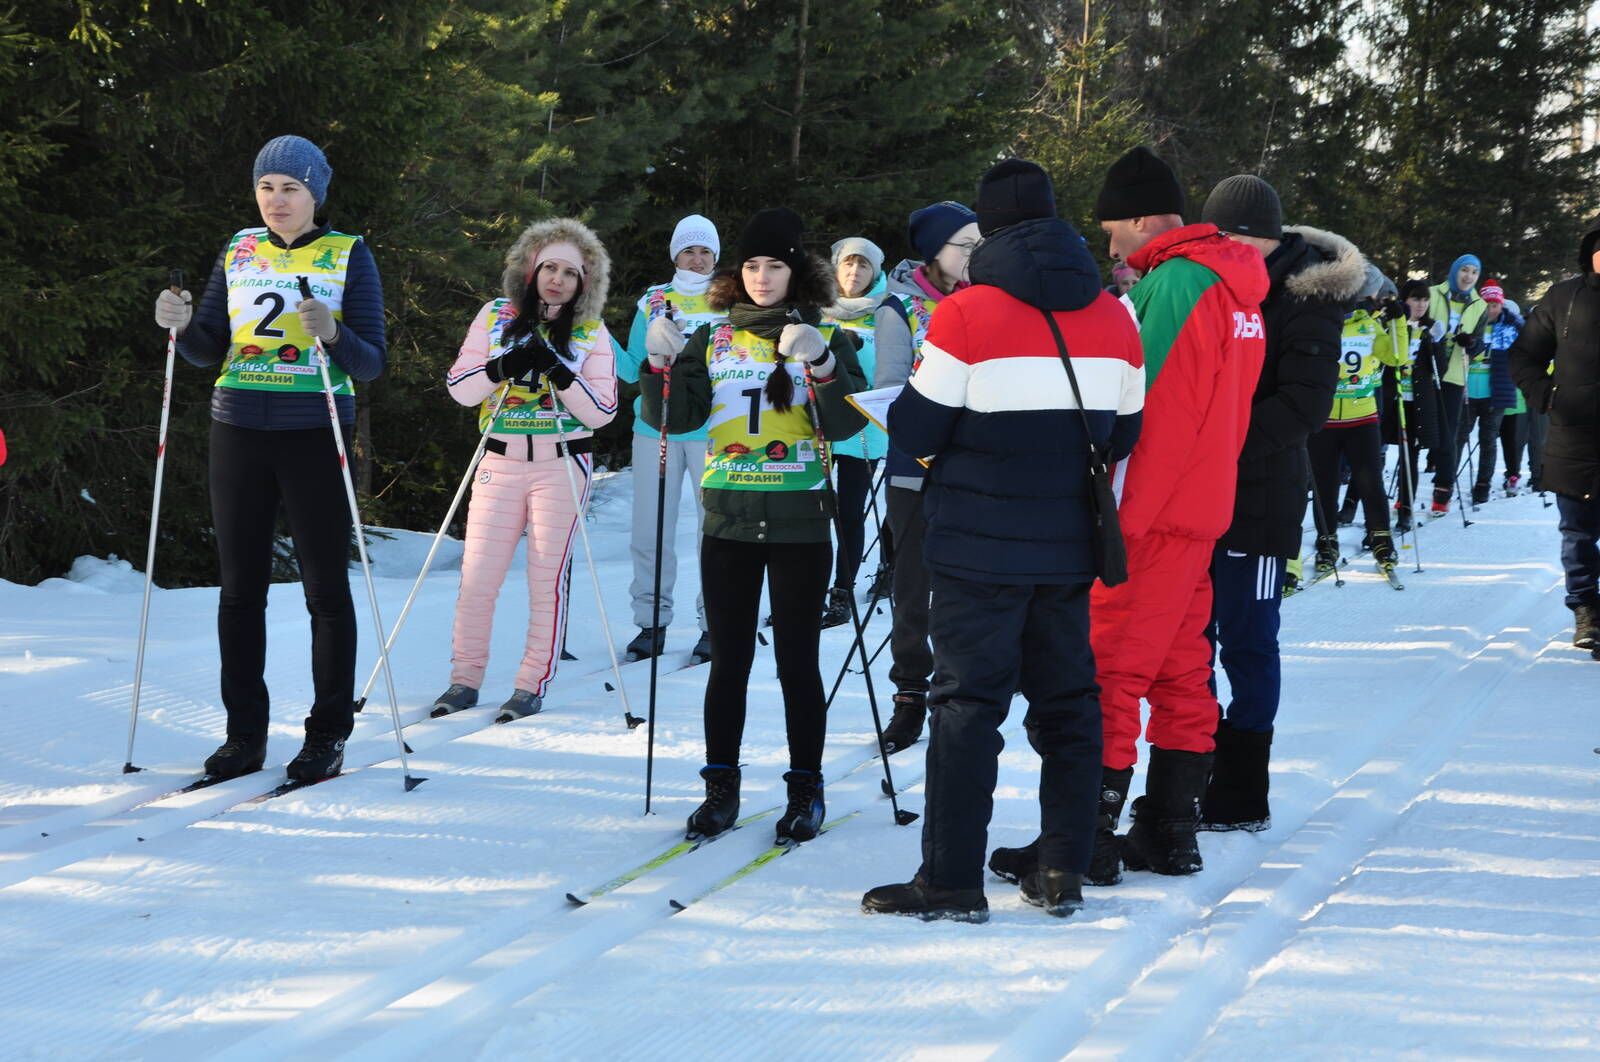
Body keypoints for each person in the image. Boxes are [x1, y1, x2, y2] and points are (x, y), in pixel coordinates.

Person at [860, 159, 1144, 922]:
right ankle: (1062, 868)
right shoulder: (1116, 314)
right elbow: (1125, 432)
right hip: (1067, 544)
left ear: (987, 229)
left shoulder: (965, 313)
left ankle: (951, 882)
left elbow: (917, 429)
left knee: (966, 707)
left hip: (975, 548)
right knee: (1070, 705)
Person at [1026, 145, 1267, 883]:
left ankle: (1083, 840)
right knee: (1180, 674)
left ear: (1141, 218)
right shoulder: (1239, 290)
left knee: (1109, 673)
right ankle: (1169, 829)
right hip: (1199, 512)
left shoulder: (1180, 283)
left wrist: (1116, 525)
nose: (1109, 245)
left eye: (1112, 228)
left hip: (1152, 517)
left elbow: (1148, 410)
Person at [152, 135, 387, 782]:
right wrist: (176, 323)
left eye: (290, 188)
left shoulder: (349, 255)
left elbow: (371, 363)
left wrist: (334, 333)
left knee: (324, 591)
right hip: (238, 427)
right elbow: (205, 347)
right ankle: (243, 735)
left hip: (314, 428)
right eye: (266, 187)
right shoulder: (238, 248)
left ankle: (326, 733)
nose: (276, 200)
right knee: (239, 590)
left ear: (316, 193)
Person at [641, 207, 867, 844]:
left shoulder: (827, 335)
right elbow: (674, 420)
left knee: (798, 663)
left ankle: (805, 788)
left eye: (775, 264)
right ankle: (721, 789)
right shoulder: (710, 339)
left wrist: (822, 363)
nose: (762, 277)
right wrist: (657, 367)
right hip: (729, 520)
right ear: (736, 274)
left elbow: (848, 427)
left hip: (800, 523)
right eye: (752, 265)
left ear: (798, 271)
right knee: (729, 661)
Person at [1192, 175, 1355, 833]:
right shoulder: (1214, 289)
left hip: (1259, 502)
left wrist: (1214, 443)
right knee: (1188, 643)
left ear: (1254, 239)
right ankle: (1191, 772)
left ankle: (1241, 788)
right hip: (1195, 497)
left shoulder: (1307, 298)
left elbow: (1302, 408)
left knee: (1249, 642)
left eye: (1221, 240)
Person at [431, 220, 618, 722]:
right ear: (530, 270)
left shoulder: (590, 329)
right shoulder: (495, 315)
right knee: (478, 578)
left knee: (546, 581)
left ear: (585, 282)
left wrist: (558, 372)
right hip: (500, 458)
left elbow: (602, 411)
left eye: (570, 273)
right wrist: (502, 367)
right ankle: (464, 679)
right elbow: (460, 389)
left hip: (562, 462)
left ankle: (531, 683)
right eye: (548, 268)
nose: (557, 279)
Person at [876, 201, 981, 754]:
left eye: (979, 243)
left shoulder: (991, 300)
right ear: (934, 250)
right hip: (914, 470)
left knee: (967, 589)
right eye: (965, 244)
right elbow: (889, 391)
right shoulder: (900, 309)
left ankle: (959, 692)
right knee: (913, 589)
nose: (974, 253)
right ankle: (909, 695)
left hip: (977, 470)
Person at [615, 215, 723, 665]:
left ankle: (714, 623)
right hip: (654, 425)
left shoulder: (731, 297)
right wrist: (594, 338)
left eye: (705, 252)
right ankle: (651, 622)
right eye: (688, 251)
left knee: (713, 529)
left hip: (712, 427)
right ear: (674, 255)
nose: (697, 261)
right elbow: (630, 369)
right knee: (650, 527)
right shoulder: (653, 301)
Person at [1510, 219, 1600, 654]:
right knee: (1578, 534)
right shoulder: (1563, 298)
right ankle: (1586, 611)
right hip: (1573, 437)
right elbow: (1524, 354)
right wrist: (1545, 394)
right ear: (1590, 252)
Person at [819, 236, 910, 628]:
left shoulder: (889, 308)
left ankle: (848, 586)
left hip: (869, 424)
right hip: (825, 422)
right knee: (830, 512)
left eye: (863, 266)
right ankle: (827, 584)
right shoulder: (820, 308)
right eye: (848, 265)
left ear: (876, 273)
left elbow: (893, 361)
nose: (854, 273)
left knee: (858, 508)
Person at [1308, 265, 1404, 572]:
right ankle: (1327, 539)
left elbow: (1397, 357)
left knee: (1370, 480)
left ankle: (1381, 538)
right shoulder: (1327, 320)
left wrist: (1399, 321)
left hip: (1362, 416)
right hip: (1325, 418)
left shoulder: (1370, 326)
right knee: (1324, 483)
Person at [1379, 279, 1444, 531]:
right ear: (1404, 300)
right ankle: (1352, 502)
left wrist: (1434, 346)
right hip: (1391, 399)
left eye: (1425, 299)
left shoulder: (1431, 329)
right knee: (1375, 451)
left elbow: (1439, 369)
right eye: (1416, 299)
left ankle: (1406, 507)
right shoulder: (1392, 323)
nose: (1421, 304)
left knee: (1411, 455)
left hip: (1417, 402)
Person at [1427, 254, 1488, 513]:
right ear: (1454, 270)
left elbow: (1480, 342)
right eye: (1464, 270)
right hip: (1425, 371)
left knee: (1447, 434)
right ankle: (1406, 494)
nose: (1468, 276)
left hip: (1453, 375)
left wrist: (1471, 344)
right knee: (1419, 430)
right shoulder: (1431, 293)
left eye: (1474, 272)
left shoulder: (1480, 304)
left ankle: (1442, 492)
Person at [1455, 279, 1521, 504]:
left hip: (1496, 393)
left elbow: (1522, 354)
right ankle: (1446, 479)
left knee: (1488, 439)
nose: (1491, 309)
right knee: (1459, 436)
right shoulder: (1472, 323)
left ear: (1501, 306)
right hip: (1469, 392)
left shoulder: (1510, 327)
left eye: (1495, 305)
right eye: (1487, 304)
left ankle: (1483, 484)